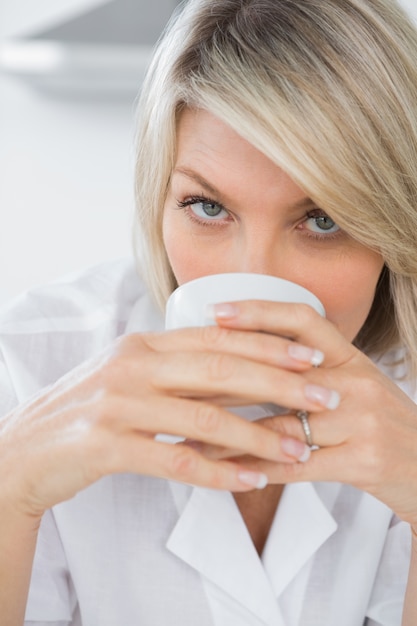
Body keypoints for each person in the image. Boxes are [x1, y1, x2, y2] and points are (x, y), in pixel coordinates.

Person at [2, 0, 417, 623]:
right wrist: (11, 489)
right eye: (208, 208)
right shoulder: (31, 365)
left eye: (323, 220)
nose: (253, 284)